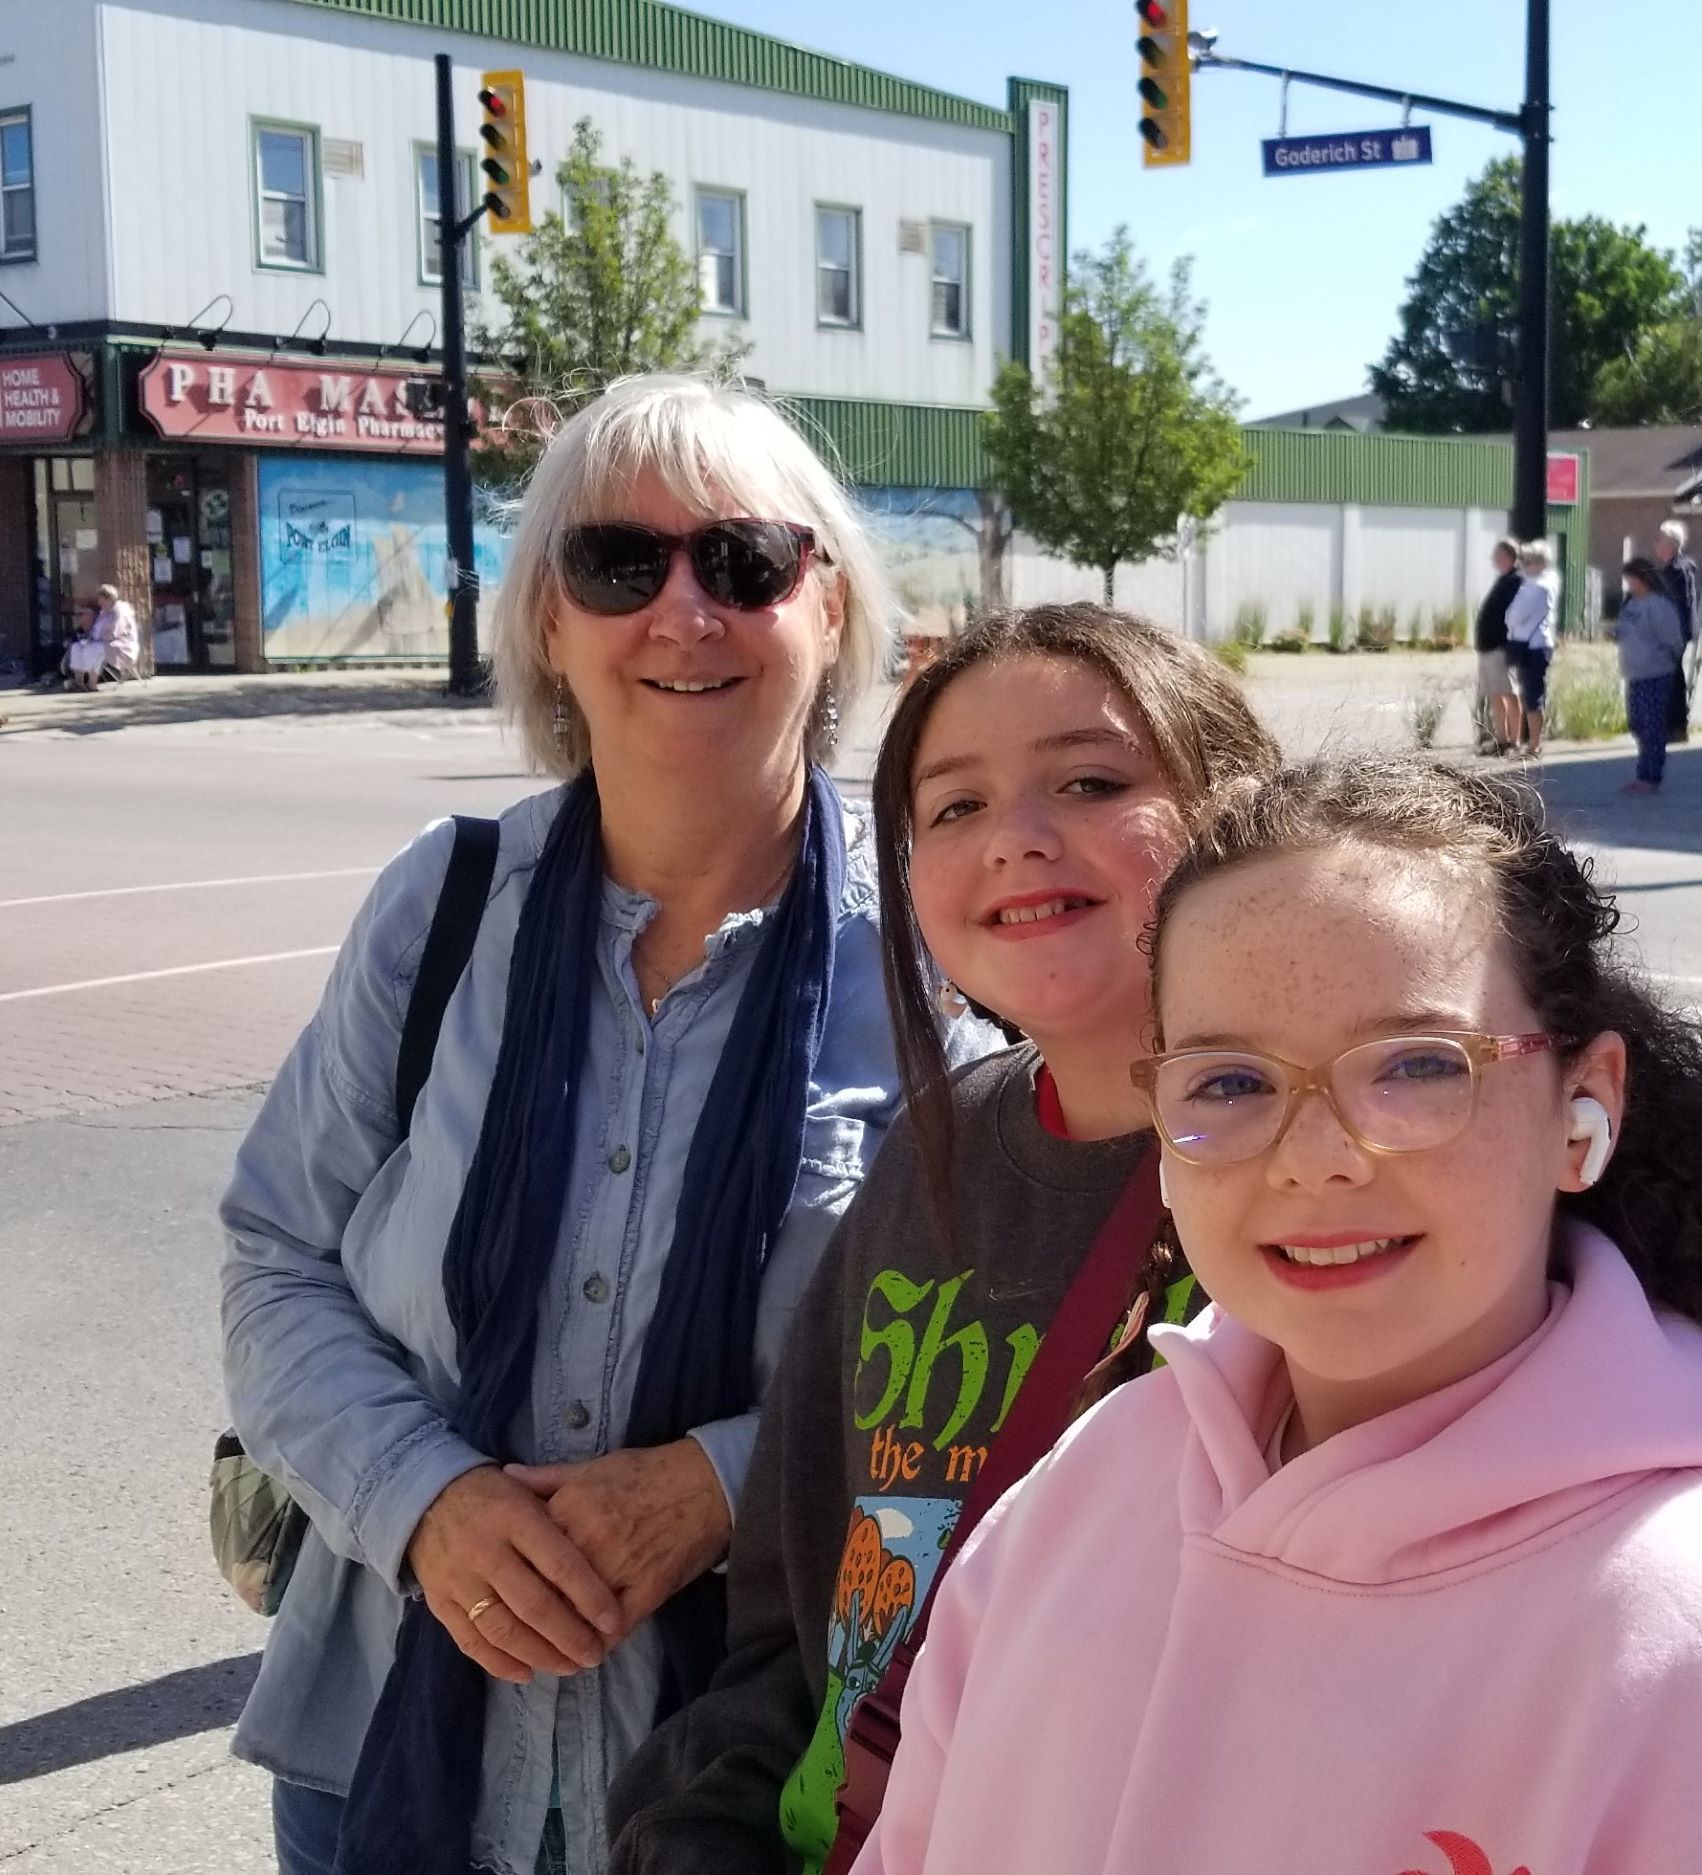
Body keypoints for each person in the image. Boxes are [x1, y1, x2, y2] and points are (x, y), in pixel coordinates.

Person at [846, 755, 1702, 1873]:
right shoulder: (1080, 1494)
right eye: (1229, 1082)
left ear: (1587, 1100)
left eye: (1418, 1067)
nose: (1318, 1158)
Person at [220, 374, 914, 1875]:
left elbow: (1018, 1350)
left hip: (749, 1775)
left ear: (832, 609)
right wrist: (427, 1499)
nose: (685, 611)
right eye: (618, 564)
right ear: (549, 621)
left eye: (743, 561)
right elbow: (276, 1251)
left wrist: (724, 1484)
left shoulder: (940, 957)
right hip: (384, 1754)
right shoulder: (443, 902)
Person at [607, 604, 1280, 1875]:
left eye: (1090, 782)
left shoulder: (1322, 1201)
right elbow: (789, 1618)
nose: (1018, 841)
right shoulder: (932, 1152)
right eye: (954, 807)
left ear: (1236, 805)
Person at [1613, 558, 1683, 795]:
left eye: (1632, 578)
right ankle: (1642, 773)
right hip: (1635, 673)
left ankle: (1652, 776)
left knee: (1653, 726)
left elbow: (1673, 640)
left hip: (1655, 672)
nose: (1629, 584)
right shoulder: (1631, 604)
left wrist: (1664, 658)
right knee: (1639, 726)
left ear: (1644, 579)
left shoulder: (1659, 606)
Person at [1502, 539, 1559, 757]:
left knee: (1533, 695)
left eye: (1526, 561)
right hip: (1534, 643)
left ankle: (1535, 744)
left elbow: (1513, 616)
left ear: (1539, 564)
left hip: (1533, 646)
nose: (1521, 565)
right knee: (1529, 694)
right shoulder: (1540, 583)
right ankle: (1532, 742)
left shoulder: (1537, 588)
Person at [1652, 520, 1702, 738]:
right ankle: (1673, 724)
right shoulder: (1673, 569)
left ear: (1671, 544)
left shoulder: (1677, 571)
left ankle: (1676, 726)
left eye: (1659, 540)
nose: (1656, 544)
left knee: (1671, 679)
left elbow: (1682, 605)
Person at [1473, 538, 1523, 754]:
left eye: (1497, 554)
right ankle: (1500, 740)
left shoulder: (1517, 581)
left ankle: (1515, 741)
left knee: (1510, 694)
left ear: (1508, 556)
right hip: (1487, 647)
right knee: (1495, 694)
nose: (1493, 558)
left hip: (1502, 648)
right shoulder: (1503, 580)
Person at [64, 584, 138, 690]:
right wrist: (89, 637)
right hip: (102, 642)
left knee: (93, 649)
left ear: (108, 598)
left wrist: (95, 640)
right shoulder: (104, 613)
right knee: (77, 647)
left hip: (121, 646)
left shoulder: (119, 612)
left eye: (100, 598)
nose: (98, 602)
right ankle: (79, 682)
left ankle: (92, 683)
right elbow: (95, 630)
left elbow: (114, 633)